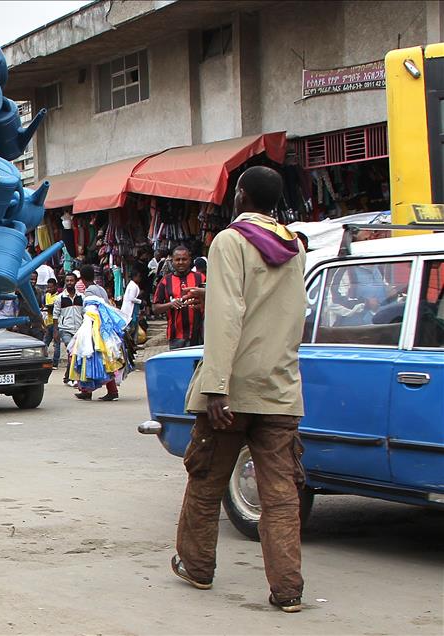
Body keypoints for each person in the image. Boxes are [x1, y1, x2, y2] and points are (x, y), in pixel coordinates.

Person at [171, 166, 307, 613]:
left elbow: (230, 314)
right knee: (281, 493)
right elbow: (277, 311)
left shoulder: (229, 241)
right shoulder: (296, 247)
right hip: (281, 387)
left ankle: (196, 566)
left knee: (207, 480)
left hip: (233, 388)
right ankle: (288, 590)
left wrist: (215, 387)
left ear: (241, 195)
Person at [152, 246, 206, 349]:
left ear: (190, 260)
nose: (181, 262)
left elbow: (213, 300)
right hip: (176, 337)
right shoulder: (165, 281)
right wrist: (170, 304)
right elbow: (155, 308)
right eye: (177, 259)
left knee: (199, 365)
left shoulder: (201, 278)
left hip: (200, 334)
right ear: (172, 261)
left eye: (184, 259)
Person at [53, 273, 84, 387]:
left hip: (79, 330)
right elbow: (55, 315)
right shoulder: (60, 298)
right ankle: (73, 378)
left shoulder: (81, 297)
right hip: (65, 329)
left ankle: (67, 376)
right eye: (67, 281)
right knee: (73, 352)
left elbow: (84, 313)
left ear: (75, 282)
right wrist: (55, 332)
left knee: (75, 353)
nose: (69, 283)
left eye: (71, 280)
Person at [42, 278, 61, 368]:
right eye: (48, 287)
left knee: (56, 343)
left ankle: (55, 363)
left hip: (55, 322)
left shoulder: (58, 297)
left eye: (51, 287)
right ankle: (43, 359)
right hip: (48, 322)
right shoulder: (46, 295)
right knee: (45, 343)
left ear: (55, 287)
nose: (49, 289)